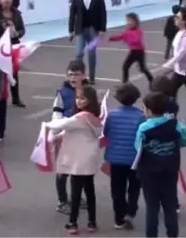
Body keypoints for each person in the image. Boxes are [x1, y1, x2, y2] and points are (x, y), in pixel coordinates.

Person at [45, 86, 103, 234]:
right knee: (90, 190)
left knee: (75, 192)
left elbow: (60, 125)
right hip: (89, 160)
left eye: (82, 98)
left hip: (77, 161)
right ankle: (92, 221)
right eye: (77, 98)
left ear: (89, 101)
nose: (79, 101)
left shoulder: (80, 117)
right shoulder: (94, 118)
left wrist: (45, 126)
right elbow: (74, 131)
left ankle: (73, 222)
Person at [135, 92, 186, 238]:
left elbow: (138, 147)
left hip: (149, 173)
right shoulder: (176, 126)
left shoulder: (144, 128)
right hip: (170, 171)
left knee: (152, 209)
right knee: (170, 208)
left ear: (148, 110)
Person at [103, 83, 144, 230]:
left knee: (117, 189)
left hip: (115, 158)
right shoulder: (141, 116)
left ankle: (118, 218)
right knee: (134, 187)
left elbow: (106, 133)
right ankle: (131, 211)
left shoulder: (112, 115)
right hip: (134, 158)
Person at [51, 60, 88, 214]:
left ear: (83, 75)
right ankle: (62, 200)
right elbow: (57, 112)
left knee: (77, 169)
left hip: (80, 135)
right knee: (62, 169)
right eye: (70, 74)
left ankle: (76, 197)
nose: (73, 78)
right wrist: (57, 131)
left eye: (76, 74)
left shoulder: (88, 91)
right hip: (64, 134)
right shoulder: (62, 92)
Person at [68, 0, 107, 85]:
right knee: (79, 53)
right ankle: (78, 76)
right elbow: (72, 14)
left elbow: (103, 13)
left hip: (93, 29)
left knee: (92, 53)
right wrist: (70, 31)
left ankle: (92, 78)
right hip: (80, 29)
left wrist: (102, 29)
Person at [0, 0, 26, 107]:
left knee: (14, 72)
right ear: (0, 0)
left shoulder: (17, 13)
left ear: (12, 0)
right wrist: (1, 27)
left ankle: (16, 98)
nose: (6, 0)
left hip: (14, 45)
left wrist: (17, 33)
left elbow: (22, 29)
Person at [109, 13, 153, 84]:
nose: (128, 22)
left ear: (135, 22)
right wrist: (112, 38)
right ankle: (125, 84)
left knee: (142, 68)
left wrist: (128, 38)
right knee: (125, 67)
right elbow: (121, 36)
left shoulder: (138, 31)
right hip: (133, 52)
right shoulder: (127, 30)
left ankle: (151, 80)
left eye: (130, 21)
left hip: (139, 52)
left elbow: (136, 40)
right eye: (127, 20)